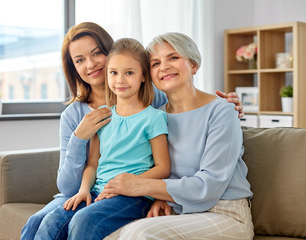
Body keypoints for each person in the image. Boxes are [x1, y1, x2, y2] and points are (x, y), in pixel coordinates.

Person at [21, 22, 244, 240]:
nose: (90, 64)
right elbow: (76, 179)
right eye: (80, 60)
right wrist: (80, 138)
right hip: (110, 191)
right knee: (39, 223)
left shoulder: (154, 106)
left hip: (189, 201)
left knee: (100, 224)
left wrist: (229, 104)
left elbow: (186, 102)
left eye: (96, 53)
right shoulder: (77, 115)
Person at [99, 32, 254, 240]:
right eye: (155, 63)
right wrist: (163, 198)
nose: (164, 67)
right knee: (106, 234)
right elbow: (158, 169)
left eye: (173, 57)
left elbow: (209, 185)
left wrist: (139, 185)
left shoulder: (221, 110)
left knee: (141, 233)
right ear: (148, 75)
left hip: (224, 213)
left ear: (193, 65)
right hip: (178, 211)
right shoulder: (155, 117)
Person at [34, 38, 171, 239]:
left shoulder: (153, 117)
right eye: (113, 73)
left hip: (134, 196)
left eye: (129, 73)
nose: (120, 80)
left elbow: (163, 167)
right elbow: (92, 165)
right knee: (51, 221)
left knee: (84, 221)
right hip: (98, 191)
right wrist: (83, 190)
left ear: (143, 76)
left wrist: (129, 182)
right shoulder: (102, 115)